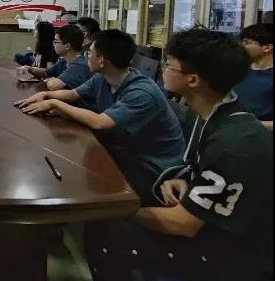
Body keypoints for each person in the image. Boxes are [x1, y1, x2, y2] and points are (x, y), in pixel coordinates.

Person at [86, 29, 273, 280]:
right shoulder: (212, 114)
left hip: (234, 255)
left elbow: (183, 223)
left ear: (193, 80)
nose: (163, 68)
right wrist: (184, 180)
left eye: (169, 63)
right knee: (103, 227)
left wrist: (117, 211)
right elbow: (202, 172)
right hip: (210, 228)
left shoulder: (235, 143)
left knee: (108, 227)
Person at [15, 30, 184, 204]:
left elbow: (100, 122)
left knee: (79, 181)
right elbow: (72, 94)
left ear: (102, 60)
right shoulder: (102, 78)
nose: (86, 56)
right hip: (125, 149)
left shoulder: (142, 92)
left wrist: (55, 103)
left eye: (90, 53)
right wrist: (44, 95)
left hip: (151, 168)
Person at [234, 23, 273, 130]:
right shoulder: (240, 70)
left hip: (262, 136)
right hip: (234, 131)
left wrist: (254, 125)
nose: (241, 46)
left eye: (247, 42)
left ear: (267, 48)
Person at [43, 24, 93, 91]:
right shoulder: (63, 61)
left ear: (67, 46)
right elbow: (46, 72)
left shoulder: (80, 65)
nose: (54, 44)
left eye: (56, 42)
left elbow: (53, 86)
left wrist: (49, 80)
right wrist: (30, 69)